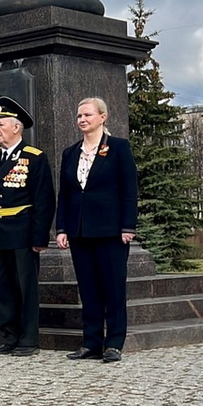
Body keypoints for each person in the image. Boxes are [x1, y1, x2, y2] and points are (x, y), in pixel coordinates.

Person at [56, 97, 139, 363]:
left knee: (113, 288)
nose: (82, 119)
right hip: (80, 232)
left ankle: (114, 342)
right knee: (88, 289)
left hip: (111, 231)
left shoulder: (118, 148)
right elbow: (66, 194)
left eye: (88, 115)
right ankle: (91, 341)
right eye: (79, 115)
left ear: (103, 117)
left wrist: (128, 225)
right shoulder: (70, 153)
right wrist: (62, 228)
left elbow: (129, 189)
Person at [0, 96, 56, 357]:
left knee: (25, 288)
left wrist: (40, 237)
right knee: (1, 287)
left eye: (0, 124)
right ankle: (9, 335)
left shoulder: (34, 158)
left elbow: (44, 201)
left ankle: (29, 339)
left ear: (16, 127)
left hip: (21, 231)